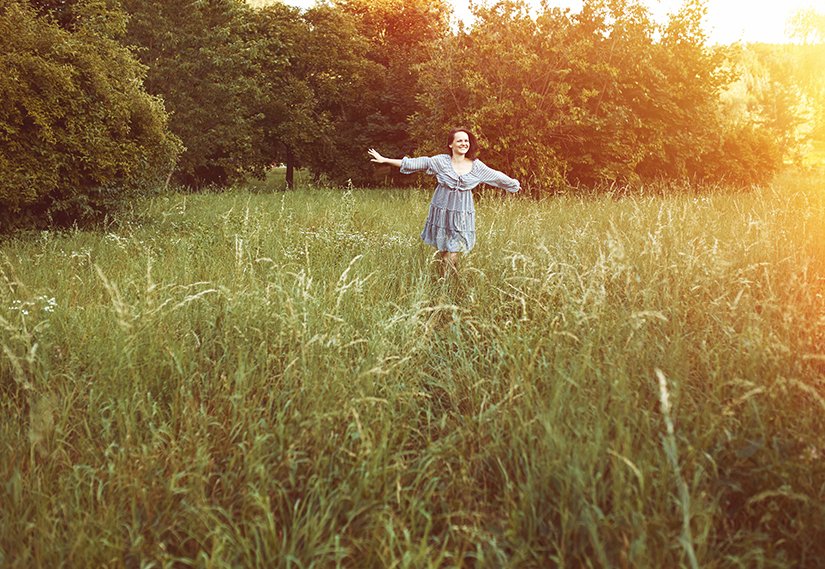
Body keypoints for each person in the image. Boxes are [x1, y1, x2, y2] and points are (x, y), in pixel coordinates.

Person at [368, 128, 520, 275]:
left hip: (462, 214)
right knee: (444, 251)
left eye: (466, 141)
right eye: (459, 140)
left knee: (453, 251)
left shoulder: (476, 166)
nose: (463, 143)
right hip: (442, 212)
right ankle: (448, 280)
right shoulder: (441, 161)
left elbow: (497, 176)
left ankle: (447, 283)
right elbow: (416, 163)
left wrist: (514, 184)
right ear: (451, 144)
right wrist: (385, 160)